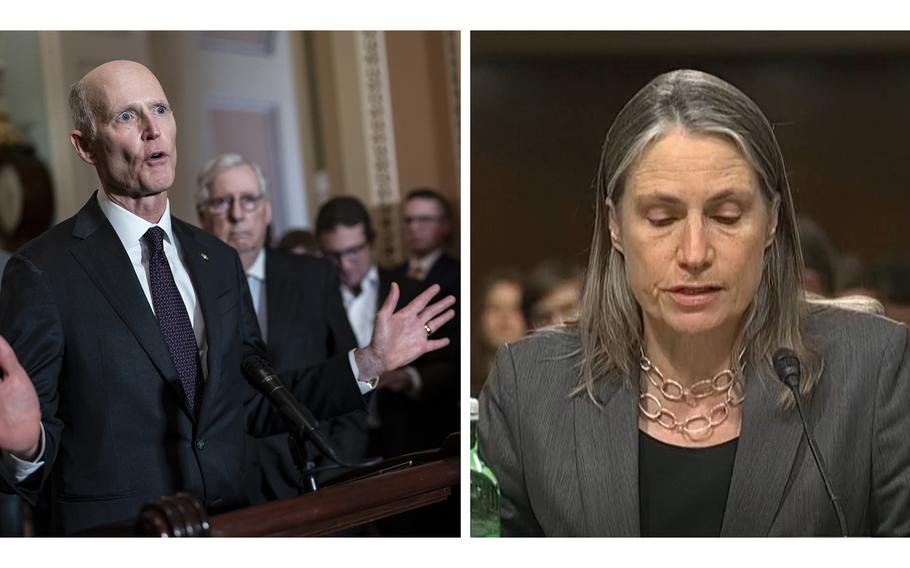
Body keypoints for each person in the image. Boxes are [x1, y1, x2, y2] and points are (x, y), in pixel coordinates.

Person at [0, 60, 454, 535]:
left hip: (234, 522)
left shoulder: (215, 258)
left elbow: (254, 402)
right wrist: (26, 448)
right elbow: (29, 438)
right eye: (127, 117)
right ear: (85, 145)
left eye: (160, 109)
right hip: (120, 532)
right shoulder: (42, 271)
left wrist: (368, 361)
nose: (154, 130)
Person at [478, 69, 910, 536]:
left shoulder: (875, 370)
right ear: (615, 225)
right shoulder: (528, 386)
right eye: (662, 219)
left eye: (726, 216)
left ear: (771, 222)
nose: (694, 253)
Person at [196, 153, 366, 501]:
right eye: (222, 202)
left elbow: (350, 375)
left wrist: (337, 474)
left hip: (312, 477)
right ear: (202, 216)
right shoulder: (185, 288)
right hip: (226, 493)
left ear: (267, 210)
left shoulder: (314, 276)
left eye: (249, 200)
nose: (237, 214)